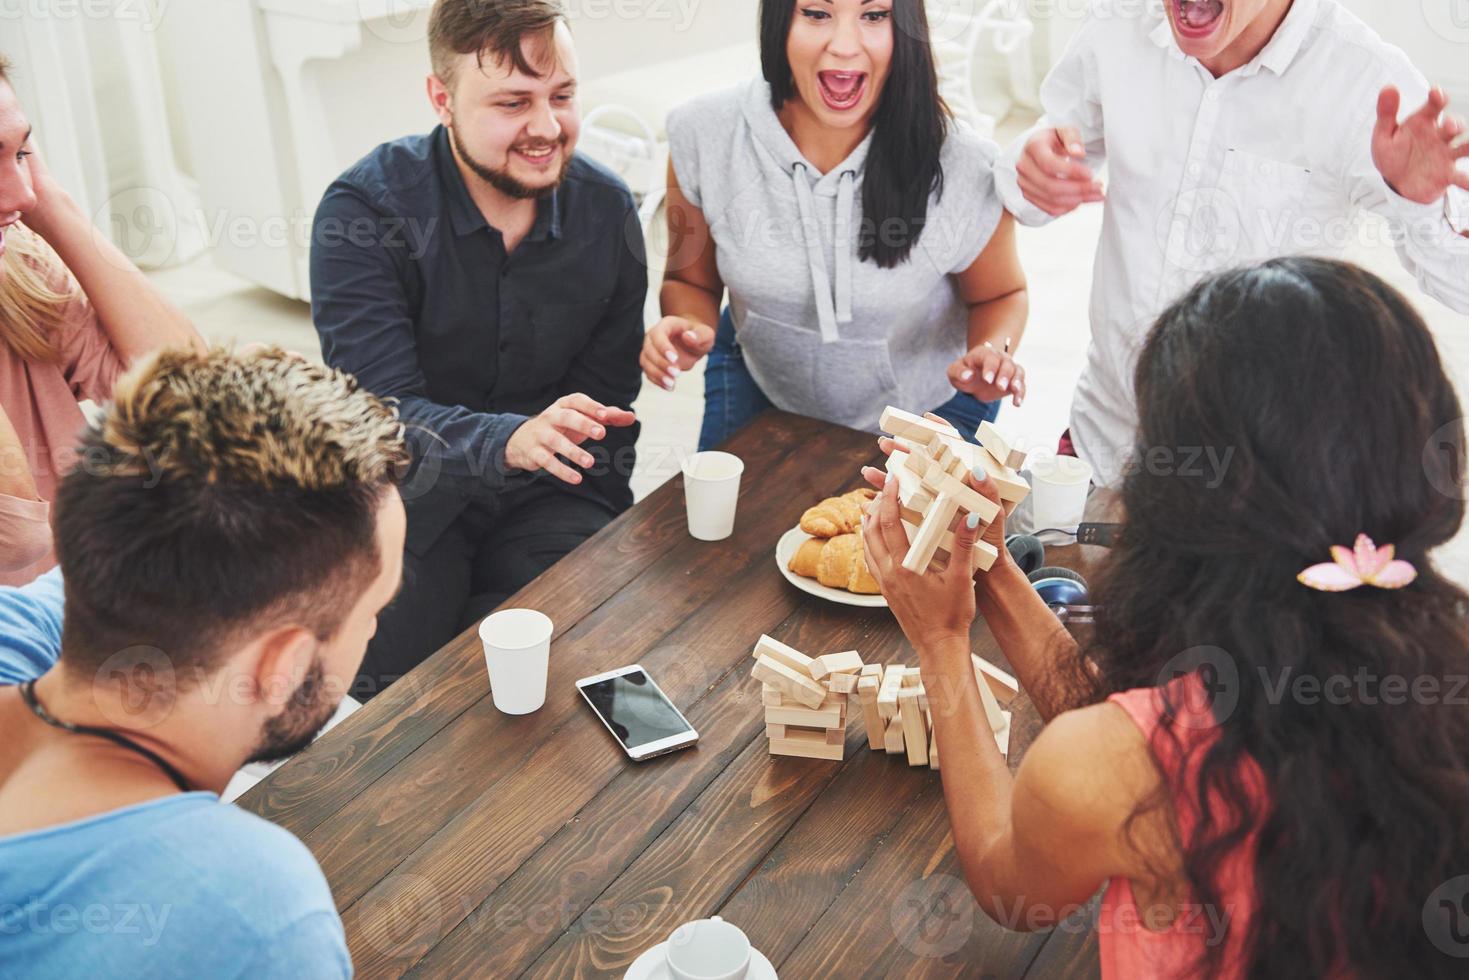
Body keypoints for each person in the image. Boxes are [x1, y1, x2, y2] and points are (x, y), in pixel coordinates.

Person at [861, 257, 1469, 977]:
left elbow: (1004, 877)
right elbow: (1130, 726)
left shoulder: (1109, 772)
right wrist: (989, 563)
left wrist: (938, 641)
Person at [0, 346, 408, 976]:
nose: (374, 628)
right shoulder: (250, 918)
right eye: (372, 611)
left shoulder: (29, 618)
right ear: (284, 667)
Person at [311, 0, 644, 696]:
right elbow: (378, 415)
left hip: (553, 495)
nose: (547, 128)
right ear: (442, 98)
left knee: (591, 662)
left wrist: (601, 545)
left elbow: (606, 410)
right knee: (400, 700)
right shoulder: (363, 214)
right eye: (513, 102)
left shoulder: (606, 211)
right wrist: (506, 441)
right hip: (411, 500)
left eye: (562, 95)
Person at [995, 0, 1469, 487]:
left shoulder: (1365, 79)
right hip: (1105, 442)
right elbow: (1028, 175)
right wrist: (1035, 172)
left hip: (1254, 476)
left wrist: (1420, 204)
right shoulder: (1117, 26)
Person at [646, 0, 1029, 451]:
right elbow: (690, 282)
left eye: (874, 15)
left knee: (895, 525)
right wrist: (688, 323)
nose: (844, 45)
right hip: (760, 379)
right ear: (778, 21)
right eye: (816, 12)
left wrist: (991, 355)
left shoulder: (965, 162)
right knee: (729, 521)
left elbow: (1001, 294)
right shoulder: (702, 134)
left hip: (929, 405)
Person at [0, 55, 203, 584]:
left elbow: (193, 398)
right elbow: (17, 539)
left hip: (87, 616)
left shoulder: (18, 265)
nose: (21, 193)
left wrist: (56, 208)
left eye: (20, 152)